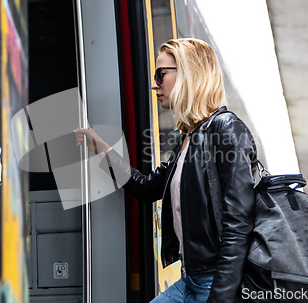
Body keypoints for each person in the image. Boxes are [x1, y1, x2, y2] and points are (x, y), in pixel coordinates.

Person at [75, 38, 257, 303]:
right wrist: (103, 149)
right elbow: (148, 187)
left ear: (189, 74)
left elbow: (239, 225)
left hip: (215, 283)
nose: (153, 84)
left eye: (161, 74)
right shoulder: (188, 138)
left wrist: (221, 296)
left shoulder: (226, 129)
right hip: (190, 279)